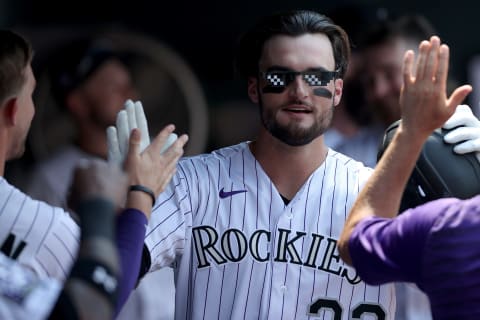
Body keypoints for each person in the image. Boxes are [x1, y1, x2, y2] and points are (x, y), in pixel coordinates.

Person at [106, 10, 480, 319]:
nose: (299, 91)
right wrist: (120, 205)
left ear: (337, 90)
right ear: (254, 88)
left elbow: (462, 255)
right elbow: (108, 277)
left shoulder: (379, 195)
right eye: (279, 77)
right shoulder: (192, 183)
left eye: (317, 78)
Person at [0, 29, 188, 318]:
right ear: (76, 102)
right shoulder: (51, 180)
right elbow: (95, 289)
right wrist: (137, 198)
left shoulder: (157, 162)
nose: (131, 94)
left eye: (129, 84)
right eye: (116, 88)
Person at [337, 36, 479, 319]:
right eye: (368, 81)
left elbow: (356, 242)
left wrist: (411, 135)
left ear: (433, 72)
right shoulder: (340, 157)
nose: (378, 91)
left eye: (391, 74)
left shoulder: (452, 223)